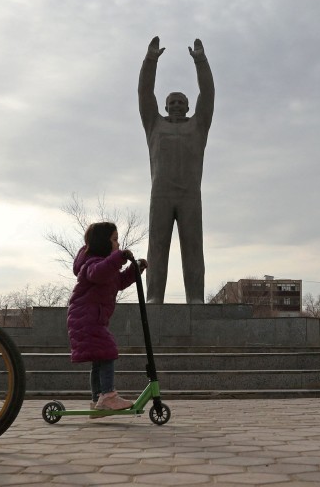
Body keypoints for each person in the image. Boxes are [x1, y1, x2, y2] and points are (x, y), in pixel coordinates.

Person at [138, 36, 214, 304]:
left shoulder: (198, 125)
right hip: (161, 195)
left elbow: (208, 94)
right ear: (165, 106)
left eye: (183, 102)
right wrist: (150, 60)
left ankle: (195, 298)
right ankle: (153, 297)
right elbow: (145, 94)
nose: (178, 105)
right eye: (174, 102)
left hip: (190, 196)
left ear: (189, 107)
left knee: (193, 248)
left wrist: (201, 61)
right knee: (157, 248)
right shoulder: (154, 125)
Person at [66, 222, 148, 413]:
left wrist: (135, 270)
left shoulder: (105, 268)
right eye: (114, 240)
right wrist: (118, 258)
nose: (118, 244)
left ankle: (98, 400)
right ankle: (108, 396)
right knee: (107, 349)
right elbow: (99, 273)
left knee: (99, 357)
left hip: (90, 319)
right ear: (103, 243)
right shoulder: (91, 264)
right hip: (86, 319)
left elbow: (117, 282)